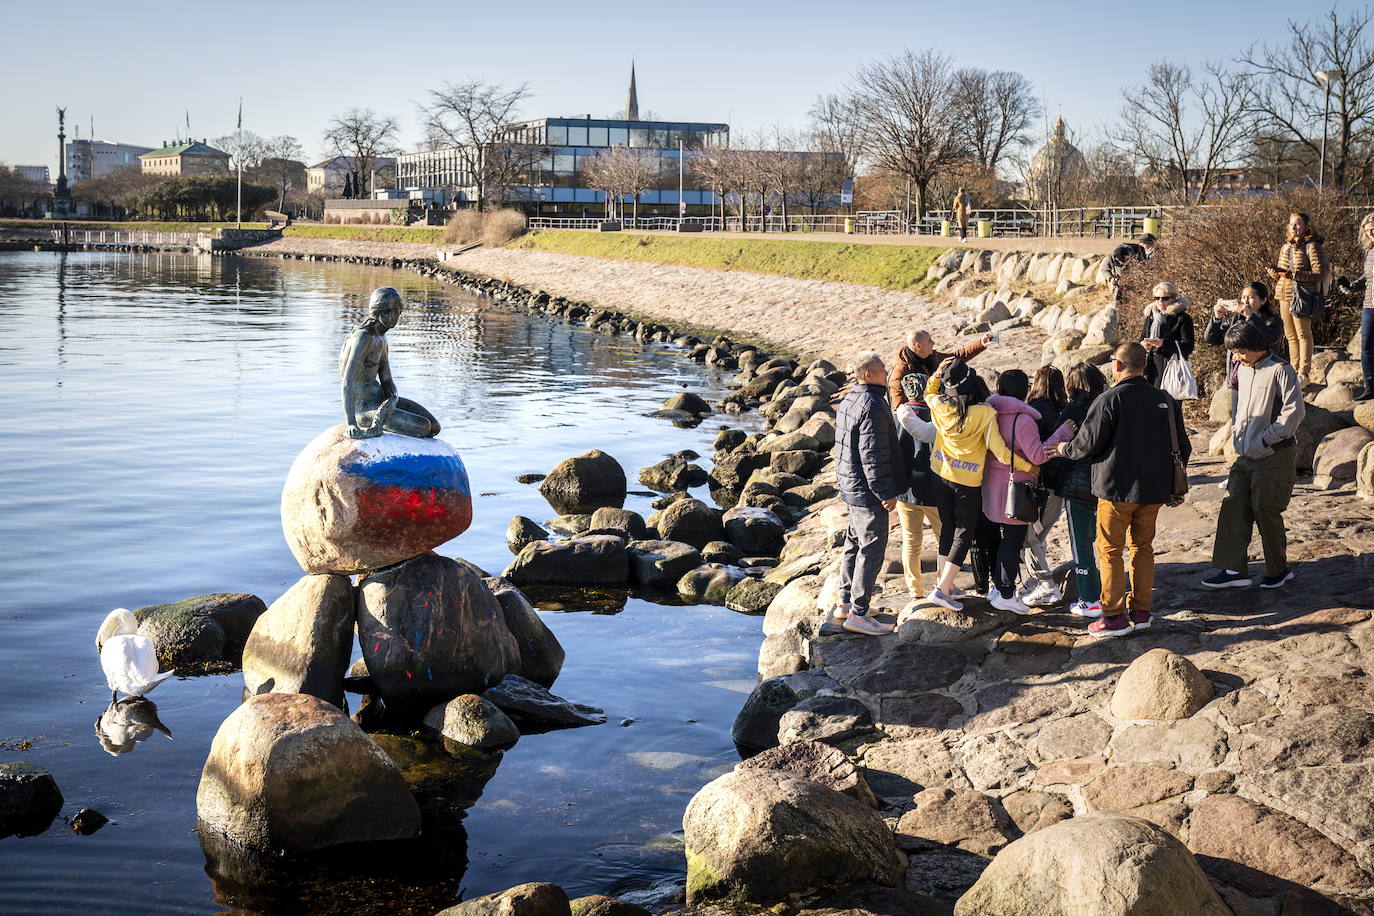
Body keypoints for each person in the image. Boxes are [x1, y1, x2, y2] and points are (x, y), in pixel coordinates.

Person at [1049, 342, 1190, 637]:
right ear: (1145, 365)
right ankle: (1141, 611)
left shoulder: (1109, 399)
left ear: (1116, 365)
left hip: (1115, 492)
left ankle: (1112, 616)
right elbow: (1183, 447)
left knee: (1110, 551)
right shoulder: (1165, 399)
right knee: (1143, 549)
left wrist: (1063, 448)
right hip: (1152, 492)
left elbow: (1086, 446)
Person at [1201, 322, 1306, 590]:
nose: (1235, 356)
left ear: (1257, 346)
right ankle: (1233, 569)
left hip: (1274, 454)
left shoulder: (1281, 370)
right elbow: (1237, 411)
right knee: (1233, 505)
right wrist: (1237, 437)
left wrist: (1265, 439)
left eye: (1239, 351)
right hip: (1244, 454)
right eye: (1233, 351)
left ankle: (1278, 570)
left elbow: (1294, 414)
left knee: (1265, 509)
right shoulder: (1241, 370)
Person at [971, 370, 1076, 614]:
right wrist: (1062, 434)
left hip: (990, 486)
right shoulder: (1023, 419)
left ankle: (998, 588)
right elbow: (1038, 456)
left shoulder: (989, 413)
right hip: (1015, 491)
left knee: (1000, 539)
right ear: (1023, 390)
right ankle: (1006, 592)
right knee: (1013, 539)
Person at [923, 359, 1013, 611]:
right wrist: (1028, 465)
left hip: (939, 472)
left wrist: (937, 375)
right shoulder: (985, 413)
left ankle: (946, 583)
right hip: (967, 480)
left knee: (948, 528)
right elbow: (1001, 451)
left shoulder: (938, 405)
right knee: (964, 533)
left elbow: (928, 392)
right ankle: (942, 590)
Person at [832, 351, 906, 635]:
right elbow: (872, 456)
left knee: (854, 543)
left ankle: (845, 602)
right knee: (871, 548)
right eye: (881, 369)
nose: (886, 372)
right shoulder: (873, 403)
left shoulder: (851, 397)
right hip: (866, 491)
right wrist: (885, 492)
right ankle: (859, 613)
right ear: (868, 375)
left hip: (851, 486)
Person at [339, 287, 441, 439]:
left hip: (381, 402)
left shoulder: (382, 339)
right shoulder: (363, 338)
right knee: (423, 426)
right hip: (364, 408)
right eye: (387, 311)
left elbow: (387, 380)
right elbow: (347, 383)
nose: (393, 316)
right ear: (377, 311)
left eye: (396, 311)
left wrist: (393, 397)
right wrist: (351, 423)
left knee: (434, 427)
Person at [1051, 363, 1111, 617]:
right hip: (1107, 483)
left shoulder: (1071, 409)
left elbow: (1059, 445)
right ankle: (1112, 594)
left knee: (1081, 545)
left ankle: (1089, 598)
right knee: (1110, 544)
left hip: (1077, 485)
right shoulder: (1109, 405)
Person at [1020, 367, 1070, 605]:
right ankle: (1035, 581)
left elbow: (1033, 451)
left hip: (1038, 485)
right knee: (1037, 536)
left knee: (1029, 537)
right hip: (1061, 484)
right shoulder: (1067, 410)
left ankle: (1046, 585)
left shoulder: (1033, 412)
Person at [893, 373, 943, 598]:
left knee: (911, 541)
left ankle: (915, 590)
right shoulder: (937, 415)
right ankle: (944, 584)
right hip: (933, 487)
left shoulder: (896, 418)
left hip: (905, 489)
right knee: (944, 538)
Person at [1268, 211, 1327, 380]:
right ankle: (1294, 370)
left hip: (1303, 294)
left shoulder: (1312, 246)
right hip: (1284, 294)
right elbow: (1282, 271)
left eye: (1298, 223)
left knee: (1303, 334)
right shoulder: (1286, 246)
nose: (1294, 227)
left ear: (1307, 227)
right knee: (1290, 335)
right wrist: (1275, 273)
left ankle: (1304, 373)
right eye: (1291, 223)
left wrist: (1295, 275)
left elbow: (1319, 273)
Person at [1204, 281, 1284, 389]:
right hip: (1237, 379)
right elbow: (1211, 339)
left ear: (1263, 300)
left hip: (1263, 378)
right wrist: (1217, 318)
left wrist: (1250, 317)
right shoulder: (1236, 320)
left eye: (1251, 297)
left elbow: (1270, 338)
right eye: (1243, 297)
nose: (1245, 302)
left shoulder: (1273, 321)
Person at [889, 329, 992, 407]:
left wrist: (981, 344)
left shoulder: (930, 356)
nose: (933, 343)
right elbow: (899, 405)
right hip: (919, 415)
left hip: (934, 405)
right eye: (929, 341)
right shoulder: (901, 370)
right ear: (918, 346)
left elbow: (956, 357)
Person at [1336, 211, 1374, 401]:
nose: (1371, 233)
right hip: (1369, 305)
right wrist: (1350, 286)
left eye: (1373, 229)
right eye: (1368, 231)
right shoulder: (1369, 251)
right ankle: (1370, 387)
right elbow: (1367, 278)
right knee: (1366, 348)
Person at [1140, 281, 1195, 387]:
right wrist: (1144, 344)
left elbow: (1188, 346)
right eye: (1157, 298)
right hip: (1152, 367)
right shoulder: (1150, 316)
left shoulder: (1182, 318)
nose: (1160, 301)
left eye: (1165, 298)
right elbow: (1142, 338)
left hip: (1172, 366)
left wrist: (1163, 343)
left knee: (1170, 402)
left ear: (1173, 298)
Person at [1107, 233, 1157, 304]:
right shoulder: (1112, 256)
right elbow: (1104, 269)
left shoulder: (1140, 253)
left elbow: (1144, 269)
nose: (1143, 246)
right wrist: (1111, 279)